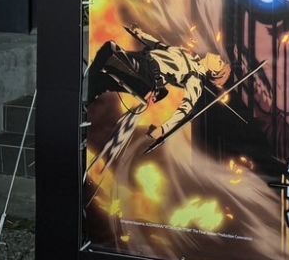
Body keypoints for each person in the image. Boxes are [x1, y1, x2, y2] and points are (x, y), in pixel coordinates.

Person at [85, 26, 233, 181]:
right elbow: (159, 46)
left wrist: (163, 129)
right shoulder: (188, 55)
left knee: (110, 51)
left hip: (147, 75)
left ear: (213, 72)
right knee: (103, 80)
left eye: (219, 62)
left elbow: (185, 109)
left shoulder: (196, 80)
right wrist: (140, 34)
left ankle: (89, 91)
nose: (218, 57)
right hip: (142, 61)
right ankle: (86, 95)